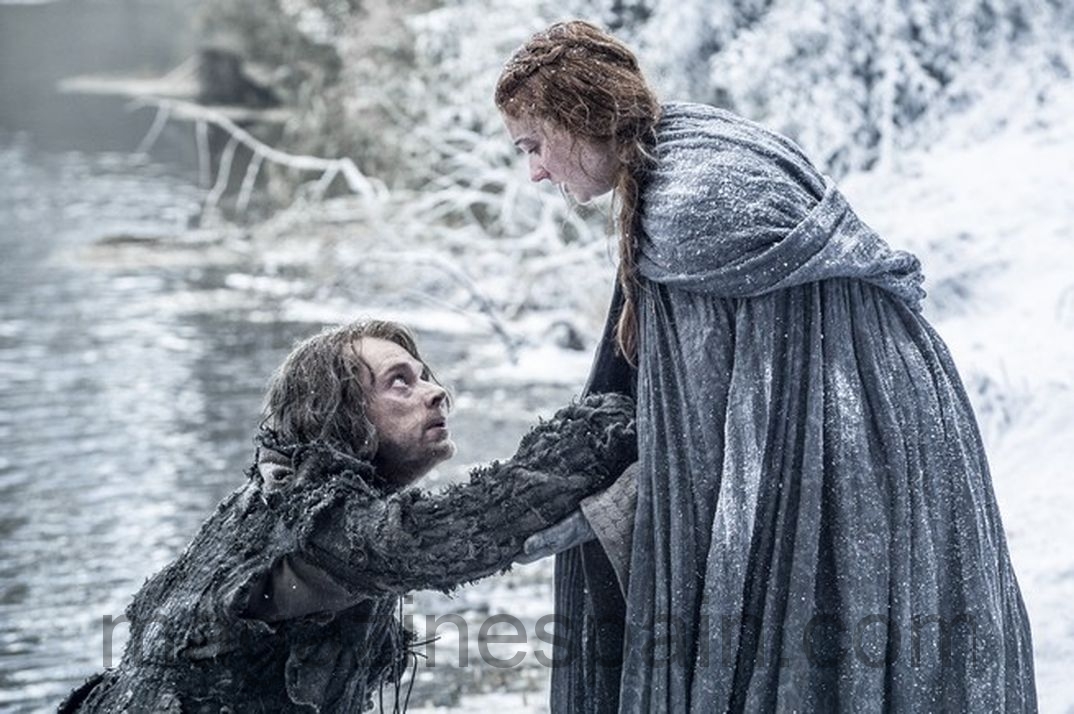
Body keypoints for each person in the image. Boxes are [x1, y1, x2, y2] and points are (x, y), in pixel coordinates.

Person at [496, 20, 1036, 713]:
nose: (536, 172)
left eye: (534, 145)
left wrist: (608, 515)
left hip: (853, 449)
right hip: (903, 431)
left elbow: (710, 442)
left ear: (579, 117)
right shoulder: (689, 142)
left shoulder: (688, 206)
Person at [59, 318, 636, 713]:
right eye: (399, 383)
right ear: (341, 415)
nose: (436, 392)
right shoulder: (310, 522)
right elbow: (456, 532)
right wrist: (598, 433)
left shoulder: (284, 494)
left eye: (426, 376)